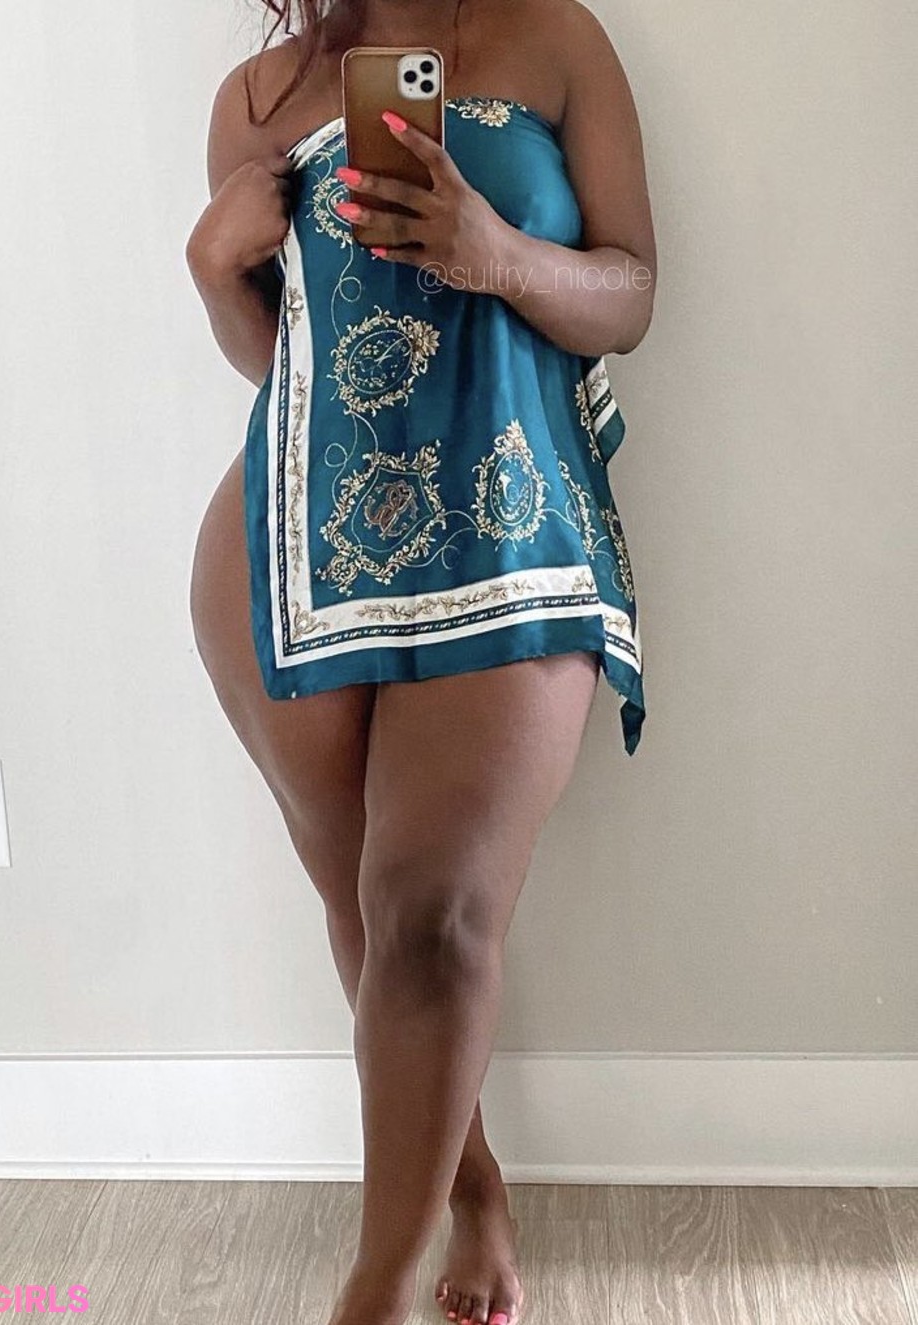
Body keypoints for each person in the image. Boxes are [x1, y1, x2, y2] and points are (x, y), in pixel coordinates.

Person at [186, 3, 656, 1322]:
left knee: (432, 918)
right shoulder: (257, 98)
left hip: (510, 519)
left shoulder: (555, 39)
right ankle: (471, 1184)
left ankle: (374, 1290)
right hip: (294, 548)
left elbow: (632, 296)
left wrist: (496, 253)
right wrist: (215, 273)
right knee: (368, 909)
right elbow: (281, 366)